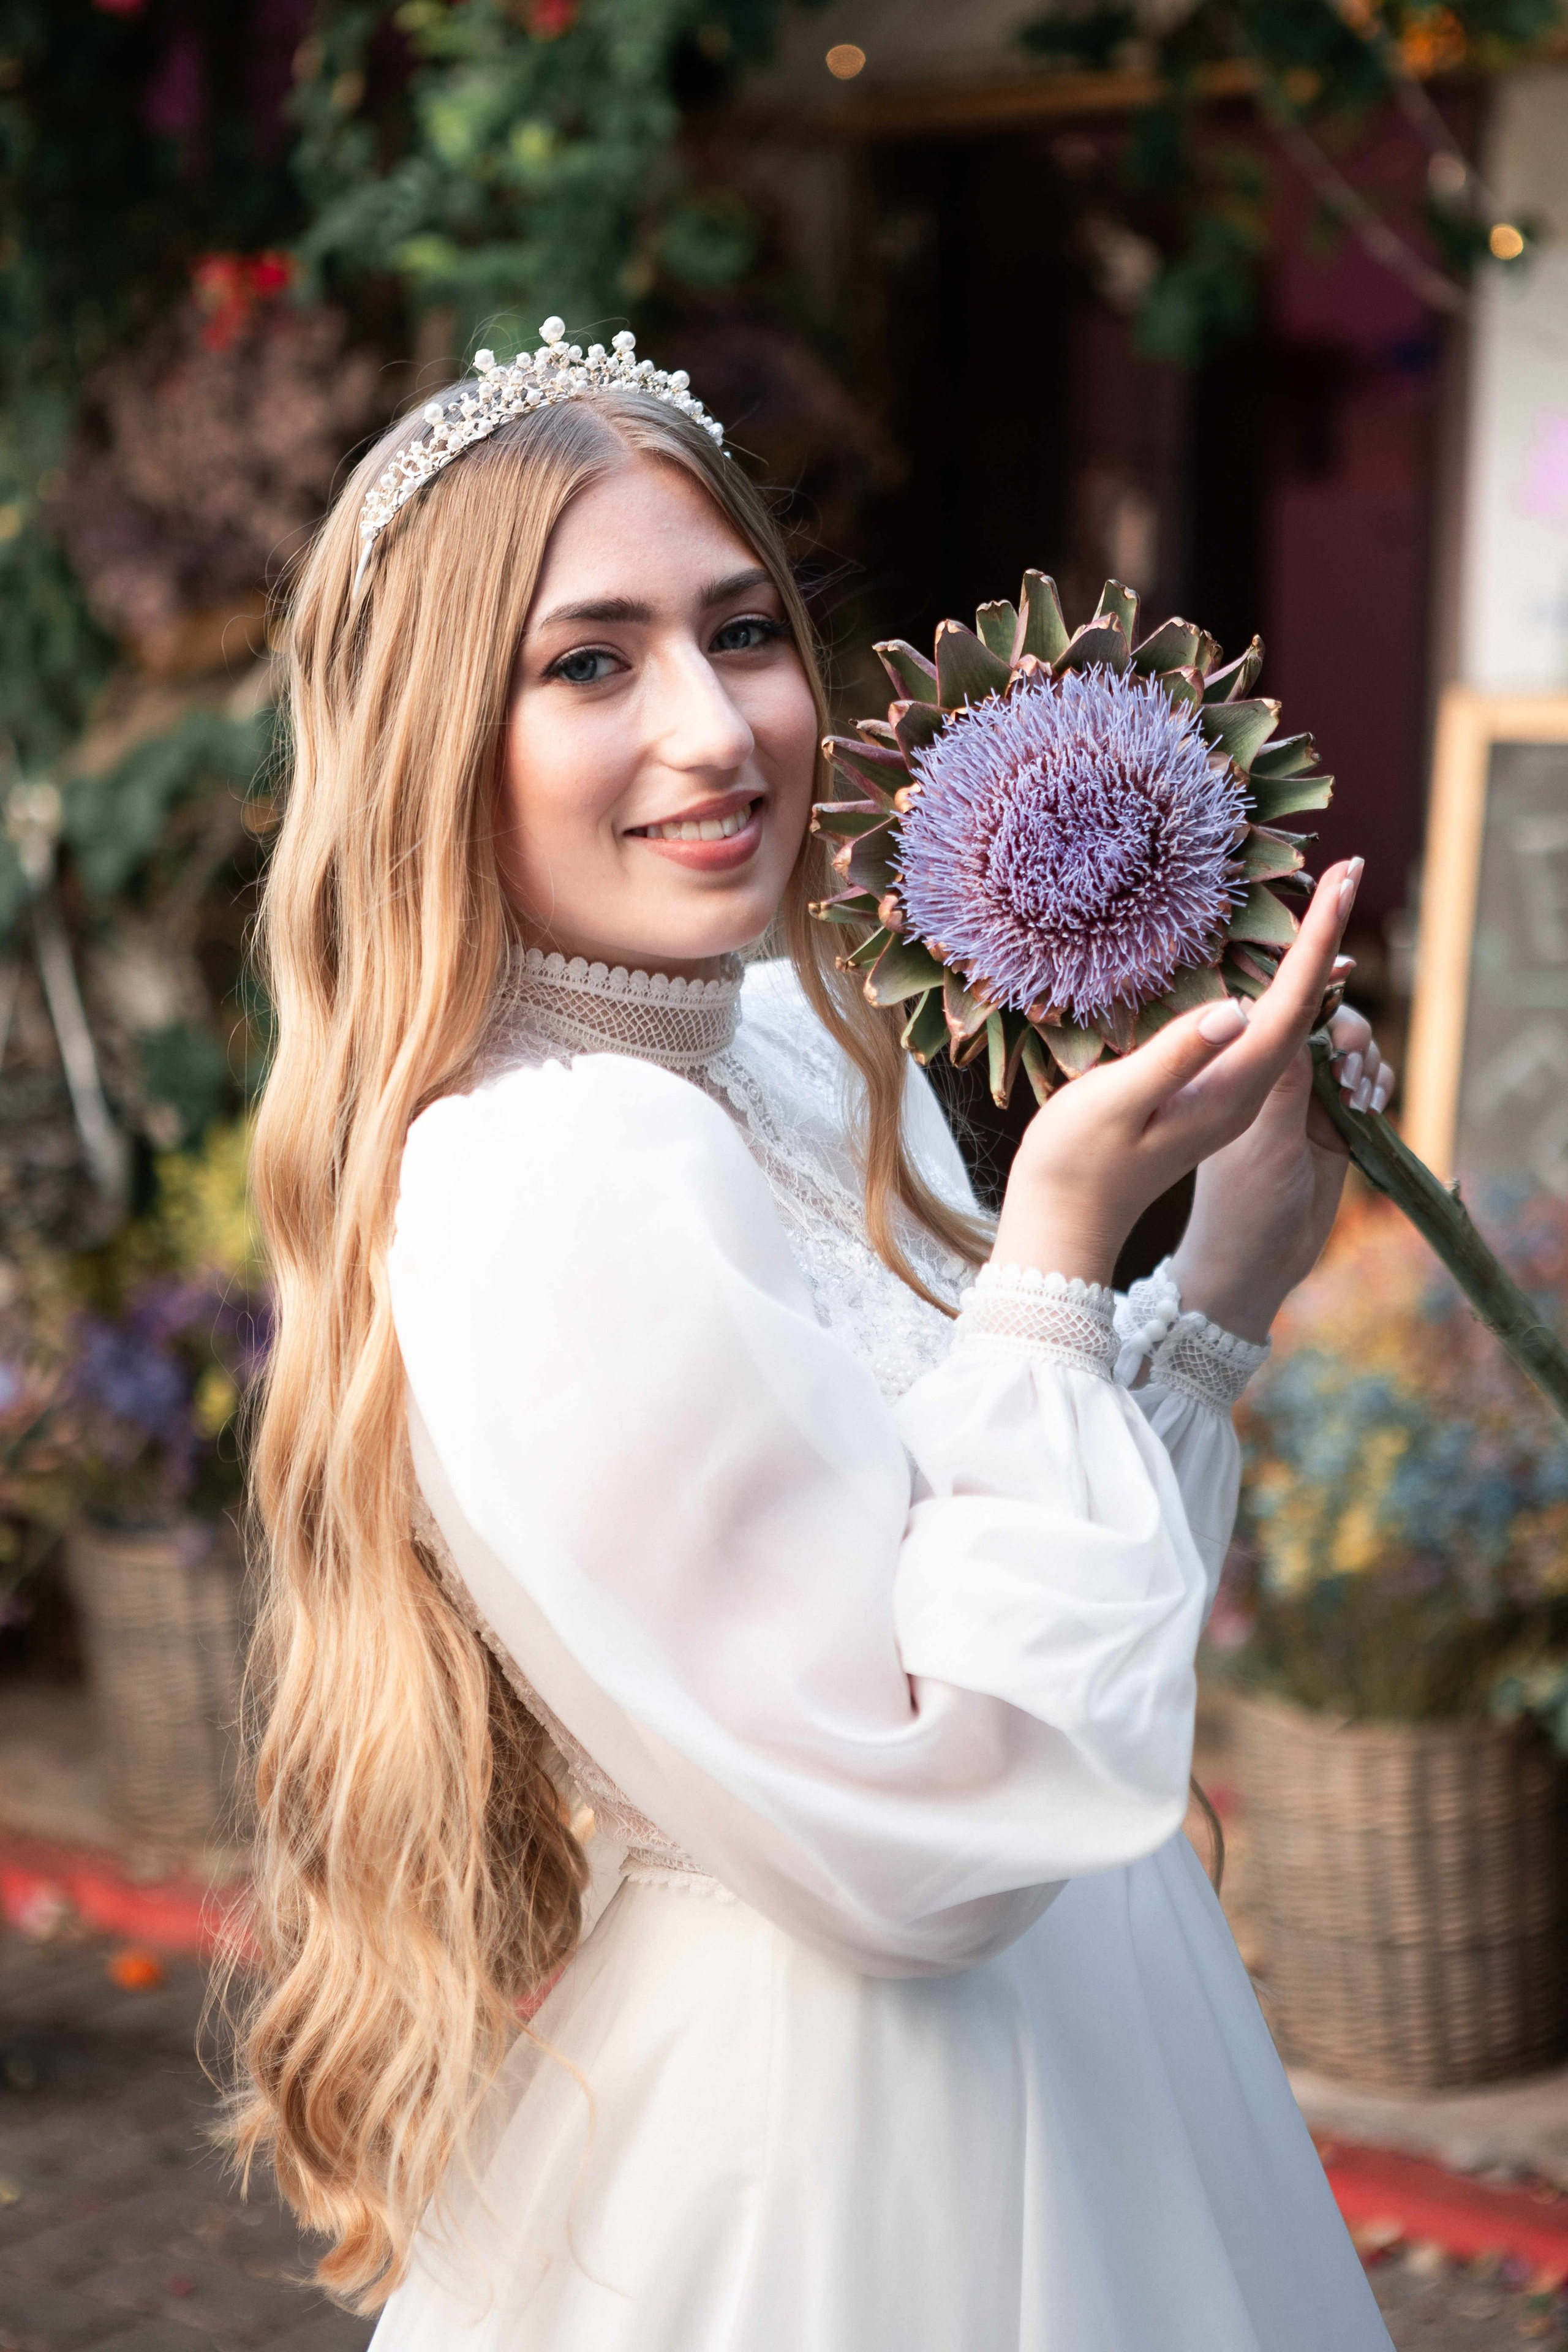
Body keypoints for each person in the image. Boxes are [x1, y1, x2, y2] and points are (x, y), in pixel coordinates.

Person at [232, 323, 1396, 2351]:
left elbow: (1053, 1681)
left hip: (1090, 2037)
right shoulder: (552, 1172)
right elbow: (927, 1846)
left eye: (742, 631)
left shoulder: (772, 1046)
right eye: (590, 661)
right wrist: (1058, 1235)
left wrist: (1218, 1279)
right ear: (438, 736)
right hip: (850, 2140)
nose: (714, 728)